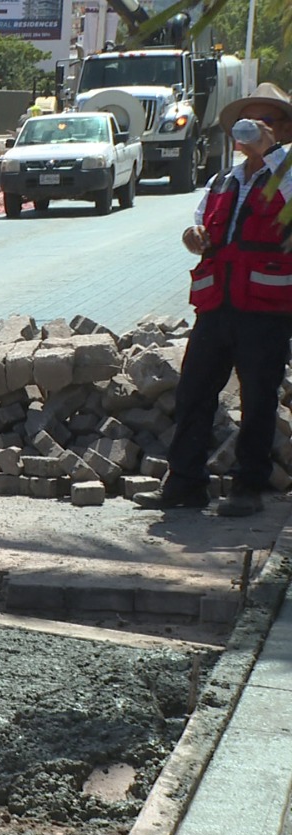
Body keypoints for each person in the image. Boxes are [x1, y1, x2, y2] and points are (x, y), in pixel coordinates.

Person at [135, 84, 292, 516]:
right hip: (217, 306)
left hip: (265, 309)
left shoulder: (289, 171)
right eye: (250, 123)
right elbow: (200, 229)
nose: (255, 131)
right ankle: (185, 485)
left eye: (267, 122)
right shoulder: (223, 180)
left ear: (282, 130)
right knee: (193, 393)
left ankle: (247, 488)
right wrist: (193, 238)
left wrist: (273, 153)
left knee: (259, 397)